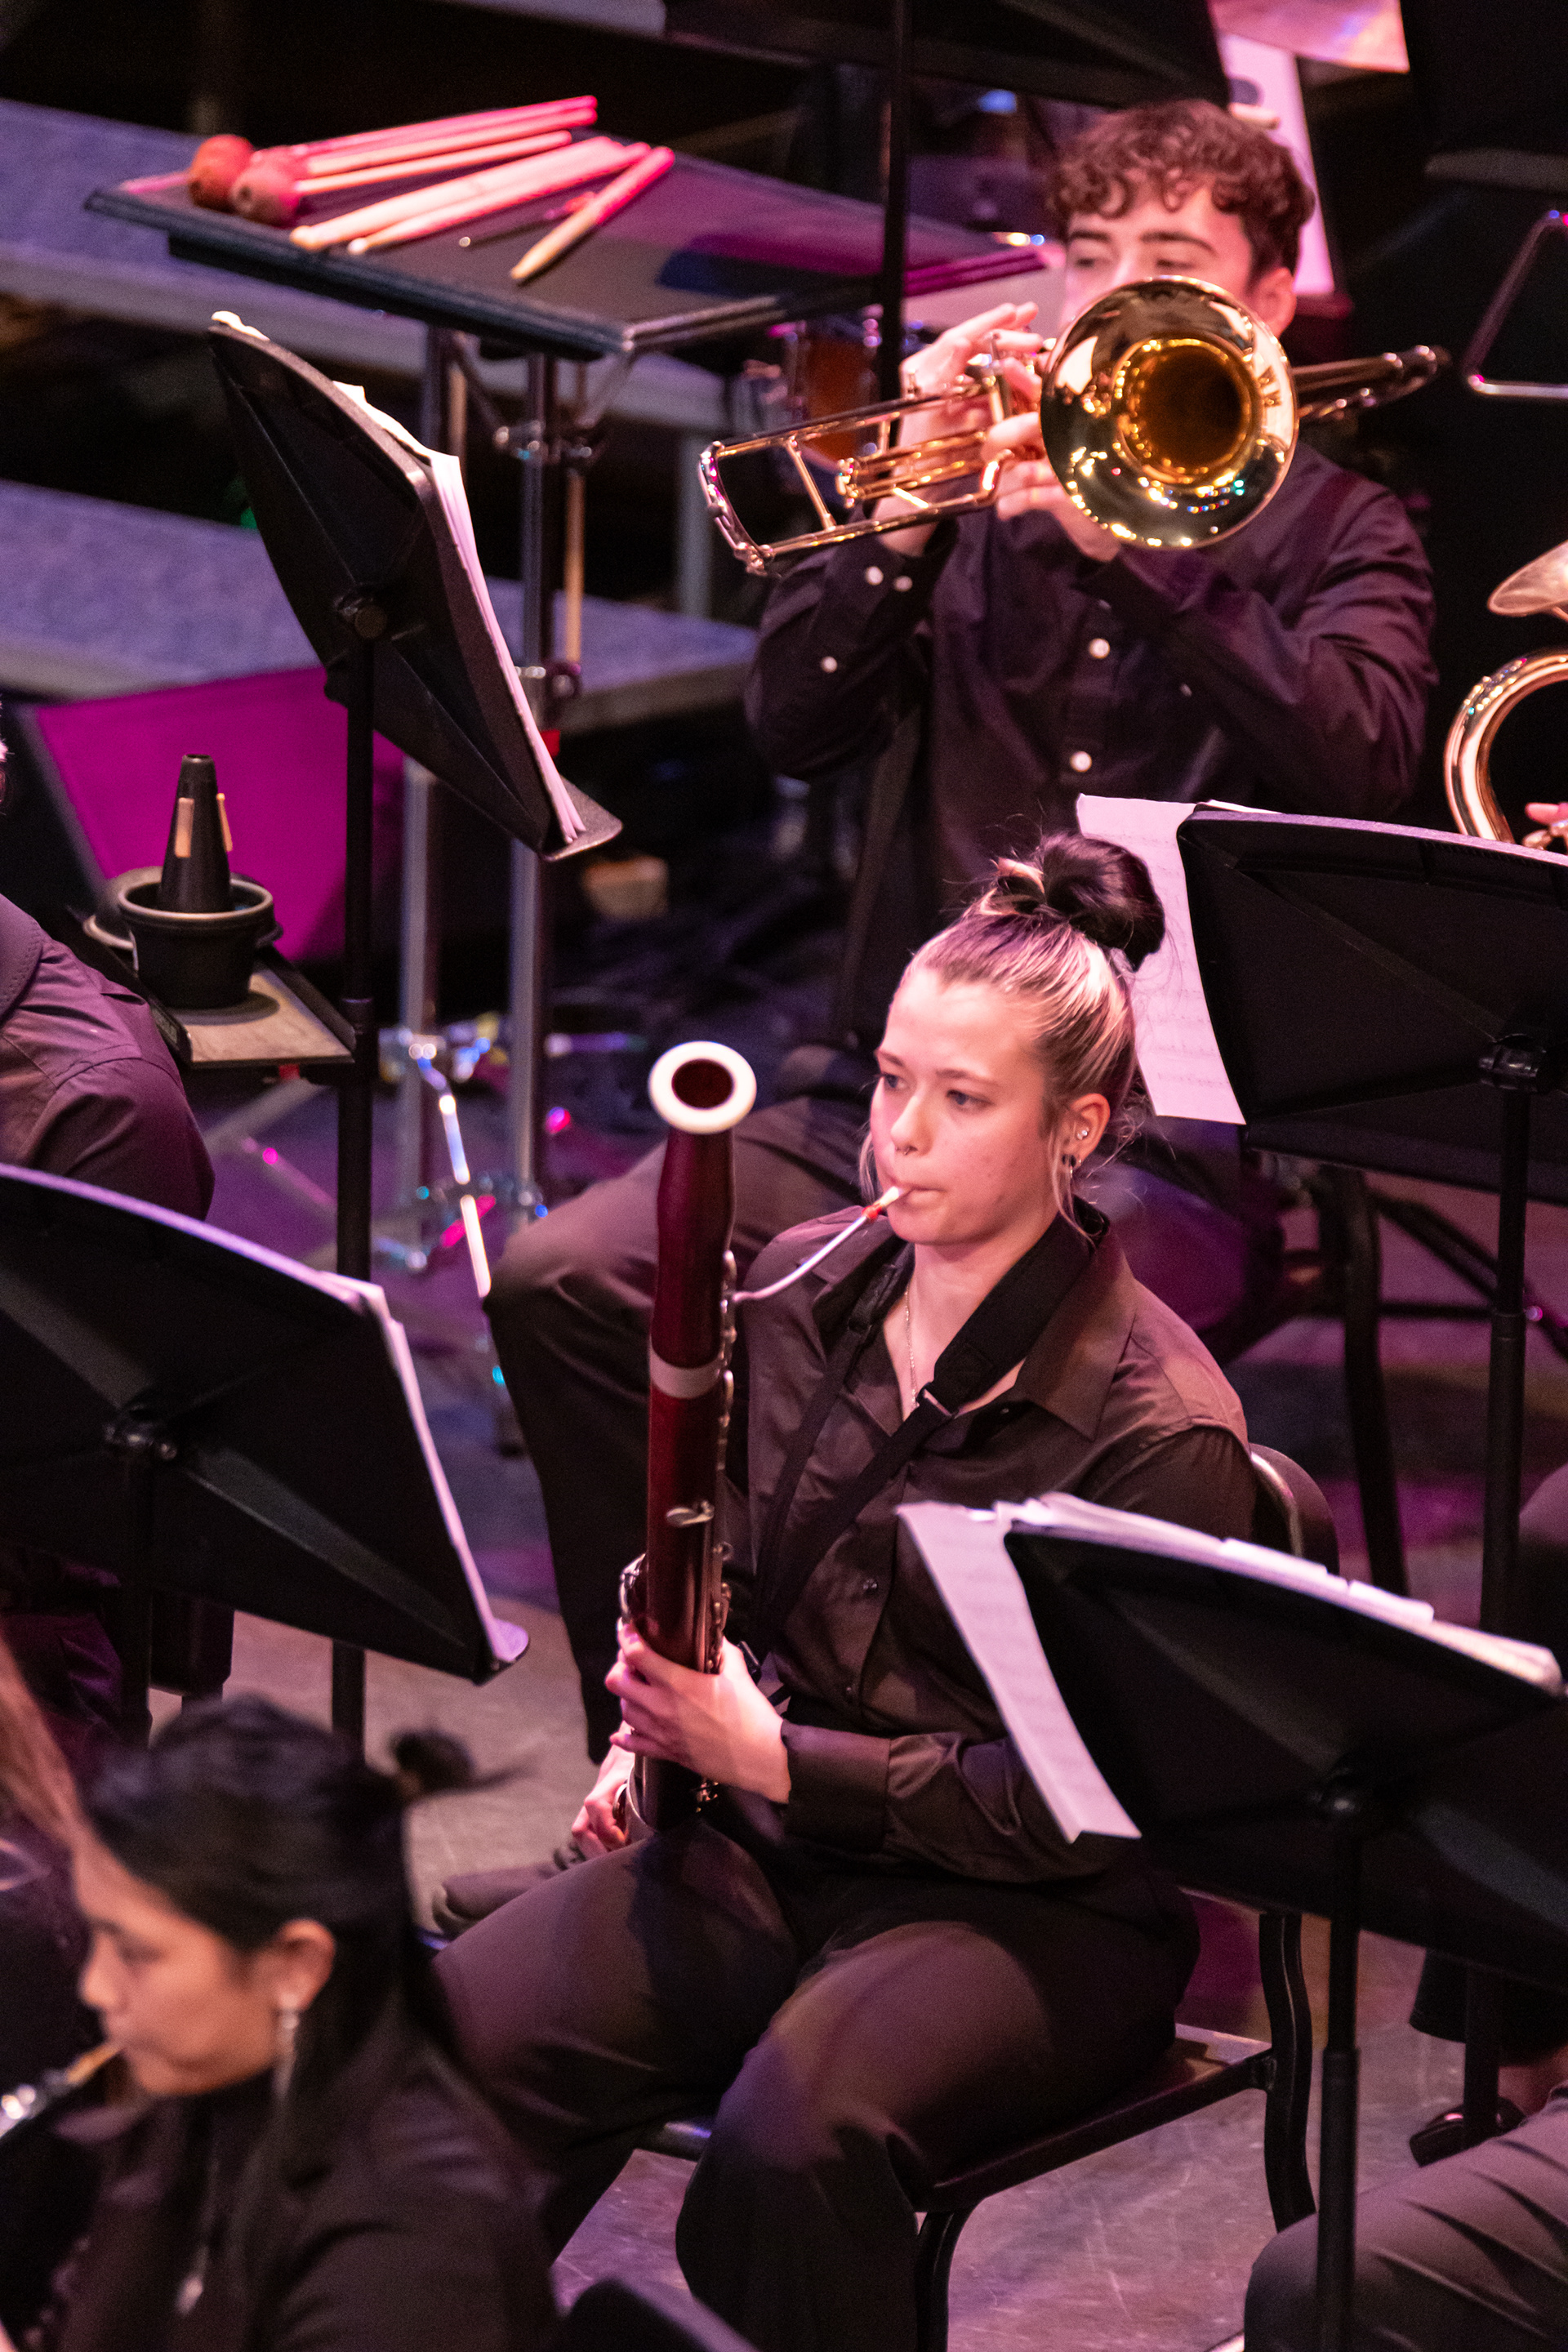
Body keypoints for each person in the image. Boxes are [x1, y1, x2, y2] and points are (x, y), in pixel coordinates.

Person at [482, 97, 1437, 1764]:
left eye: (1168, 259)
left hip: (1158, 1135)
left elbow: (1362, 761)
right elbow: (791, 727)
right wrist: (906, 515)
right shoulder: (966, 509)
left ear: (1269, 302)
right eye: (1088, 257)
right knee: (568, 1279)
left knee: (965, 1338)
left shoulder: (1342, 530)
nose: (1112, 294)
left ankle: (929, 1801)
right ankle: (664, 1758)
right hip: (888, 1090)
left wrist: (1145, 562)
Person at [439, 837, 1261, 2352]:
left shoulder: (1160, 1433)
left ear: (1076, 1127)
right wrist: (665, 1702)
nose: (902, 1136)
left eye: (964, 1100)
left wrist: (772, 1758)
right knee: (445, 2049)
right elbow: (749, 1575)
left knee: (795, 2148)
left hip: (1040, 1914)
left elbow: (1086, 1811)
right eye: (891, 1080)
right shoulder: (809, 1283)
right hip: (778, 1842)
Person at [13, 1696, 556, 2352]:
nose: (96, 1987)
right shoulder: (203, 2094)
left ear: (296, 1966)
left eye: (135, 1953)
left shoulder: (413, 2250)